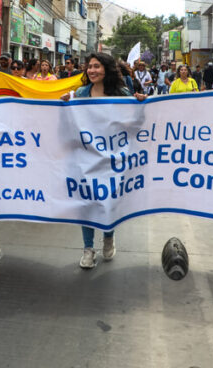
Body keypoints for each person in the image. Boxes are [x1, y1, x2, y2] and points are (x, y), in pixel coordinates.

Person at [60, 52, 146, 268]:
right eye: (89, 67)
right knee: (87, 202)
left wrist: (140, 105)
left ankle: (108, 235)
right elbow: (69, 123)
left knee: (108, 202)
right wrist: (64, 106)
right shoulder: (80, 93)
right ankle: (88, 249)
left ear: (106, 69)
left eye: (97, 66)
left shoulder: (121, 93)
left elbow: (136, 124)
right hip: (86, 157)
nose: (92, 70)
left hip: (112, 159)